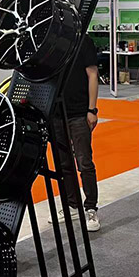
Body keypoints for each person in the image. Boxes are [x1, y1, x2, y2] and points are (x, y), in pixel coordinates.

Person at [49, 35, 101, 231]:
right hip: (56, 113)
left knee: (84, 162)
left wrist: (92, 109)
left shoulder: (83, 40)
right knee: (63, 164)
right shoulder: (51, 40)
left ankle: (91, 208)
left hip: (79, 112)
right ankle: (72, 205)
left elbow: (92, 74)